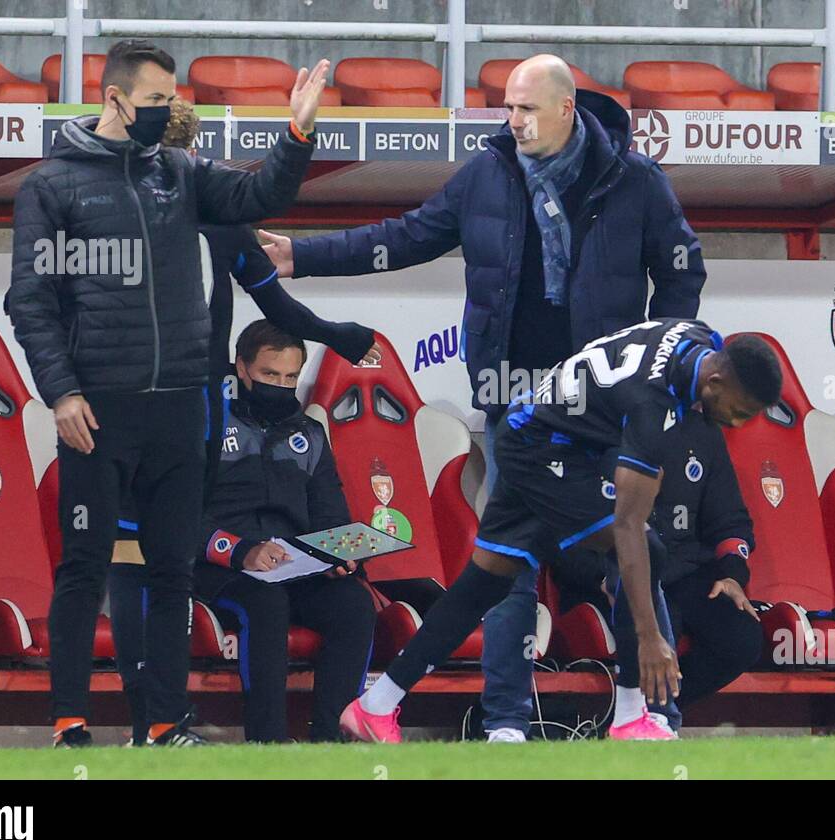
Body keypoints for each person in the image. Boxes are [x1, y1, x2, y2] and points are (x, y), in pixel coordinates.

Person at [260, 53, 705, 742]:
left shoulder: (634, 182)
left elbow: (683, 269)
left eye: (526, 108)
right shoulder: (487, 177)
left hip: (599, 411)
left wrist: (651, 361)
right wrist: (301, 256)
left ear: (566, 108)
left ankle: (388, 705)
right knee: (584, 557)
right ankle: (573, 719)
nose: (512, 121)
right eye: (507, 106)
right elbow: (403, 237)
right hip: (518, 408)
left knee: (501, 564)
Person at [5, 39, 328, 748]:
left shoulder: (181, 174)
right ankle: (69, 720)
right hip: (98, 408)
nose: (166, 112)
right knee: (84, 567)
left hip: (182, 406)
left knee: (174, 571)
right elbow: (29, 302)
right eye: (155, 101)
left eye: (172, 100)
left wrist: (297, 133)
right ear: (115, 98)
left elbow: (259, 194)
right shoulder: (51, 185)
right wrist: (60, 392)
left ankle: (163, 721)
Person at [340, 319, 783, 743]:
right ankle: (631, 717)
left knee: (484, 583)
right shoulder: (651, 406)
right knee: (643, 547)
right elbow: (628, 526)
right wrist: (649, 639)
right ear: (716, 383)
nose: (739, 424)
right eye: (740, 411)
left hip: (537, 432)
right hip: (546, 451)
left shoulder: (699, 336)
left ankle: (376, 704)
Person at [107, 101, 382, 744]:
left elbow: (272, 299)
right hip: (141, 402)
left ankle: (163, 723)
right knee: (135, 550)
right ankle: (151, 721)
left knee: (152, 552)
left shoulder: (212, 214)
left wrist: (334, 335)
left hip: (182, 404)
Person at [488, 410, 764, 742]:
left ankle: (633, 714)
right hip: (605, 573)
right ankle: (645, 719)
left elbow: (730, 518)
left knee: (742, 637)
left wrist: (733, 573)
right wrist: (601, 577)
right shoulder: (587, 428)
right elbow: (558, 534)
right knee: (660, 621)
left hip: (683, 572)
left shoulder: (702, 431)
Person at [196, 320, 375, 742]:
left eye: (291, 377)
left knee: (354, 604)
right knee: (265, 601)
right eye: (269, 375)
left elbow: (331, 514)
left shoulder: (310, 435)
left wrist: (340, 554)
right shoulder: (204, 425)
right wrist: (240, 551)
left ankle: (331, 743)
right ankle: (268, 746)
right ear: (241, 368)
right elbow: (175, 517)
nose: (281, 385)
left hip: (296, 568)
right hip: (221, 570)